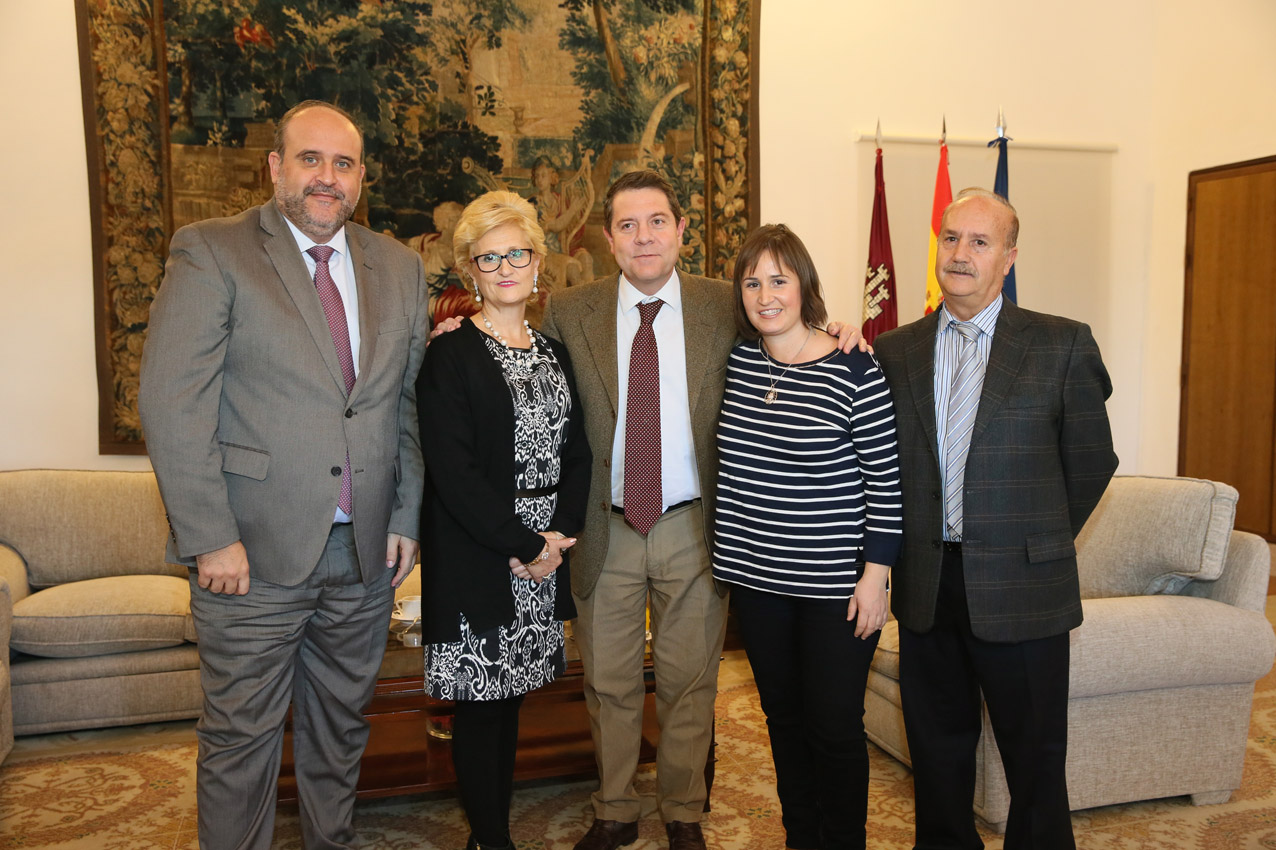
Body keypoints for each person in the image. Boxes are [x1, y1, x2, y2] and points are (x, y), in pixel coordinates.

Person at [540, 171, 865, 850]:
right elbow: (533, 386)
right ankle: (616, 809)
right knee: (609, 682)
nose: (644, 237)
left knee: (691, 682)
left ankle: (683, 811)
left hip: (698, 524)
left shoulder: (729, 303)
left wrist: (843, 329)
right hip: (610, 523)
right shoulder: (572, 312)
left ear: (683, 230)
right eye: (627, 225)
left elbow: (793, 330)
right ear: (608, 239)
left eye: (657, 221)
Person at [138, 100, 429, 850]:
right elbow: (173, 403)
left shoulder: (398, 268)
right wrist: (209, 538)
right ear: (276, 168)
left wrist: (403, 518)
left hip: (363, 556)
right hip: (251, 556)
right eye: (310, 160)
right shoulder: (212, 251)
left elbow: (404, 407)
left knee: (340, 734)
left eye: (343, 163)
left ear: (362, 177)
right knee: (242, 741)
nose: (326, 178)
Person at [874, 188, 1118, 850]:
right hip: (928, 589)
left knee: (1035, 763)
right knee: (939, 758)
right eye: (951, 238)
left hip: (1024, 590)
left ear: (1008, 257)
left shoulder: (1061, 345)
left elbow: (1092, 462)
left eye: (979, 242)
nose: (960, 253)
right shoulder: (895, 350)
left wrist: (1031, 540)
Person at [712, 224, 902, 850]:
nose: (766, 295)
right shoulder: (739, 359)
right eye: (752, 281)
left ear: (804, 286)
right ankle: (802, 839)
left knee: (836, 727)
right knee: (783, 723)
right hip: (759, 585)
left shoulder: (854, 367)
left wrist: (876, 577)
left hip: (833, 590)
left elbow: (885, 483)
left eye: (779, 280)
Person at [416, 191, 592, 850]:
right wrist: (524, 543)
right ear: (472, 272)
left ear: (538, 261)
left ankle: (488, 833)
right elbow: (454, 473)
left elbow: (579, 452)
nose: (507, 266)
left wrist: (558, 539)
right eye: (490, 257)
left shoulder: (553, 351)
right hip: (480, 555)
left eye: (517, 252)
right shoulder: (451, 354)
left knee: (511, 698)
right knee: (479, 706)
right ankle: (491, 839)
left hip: (544, 552)